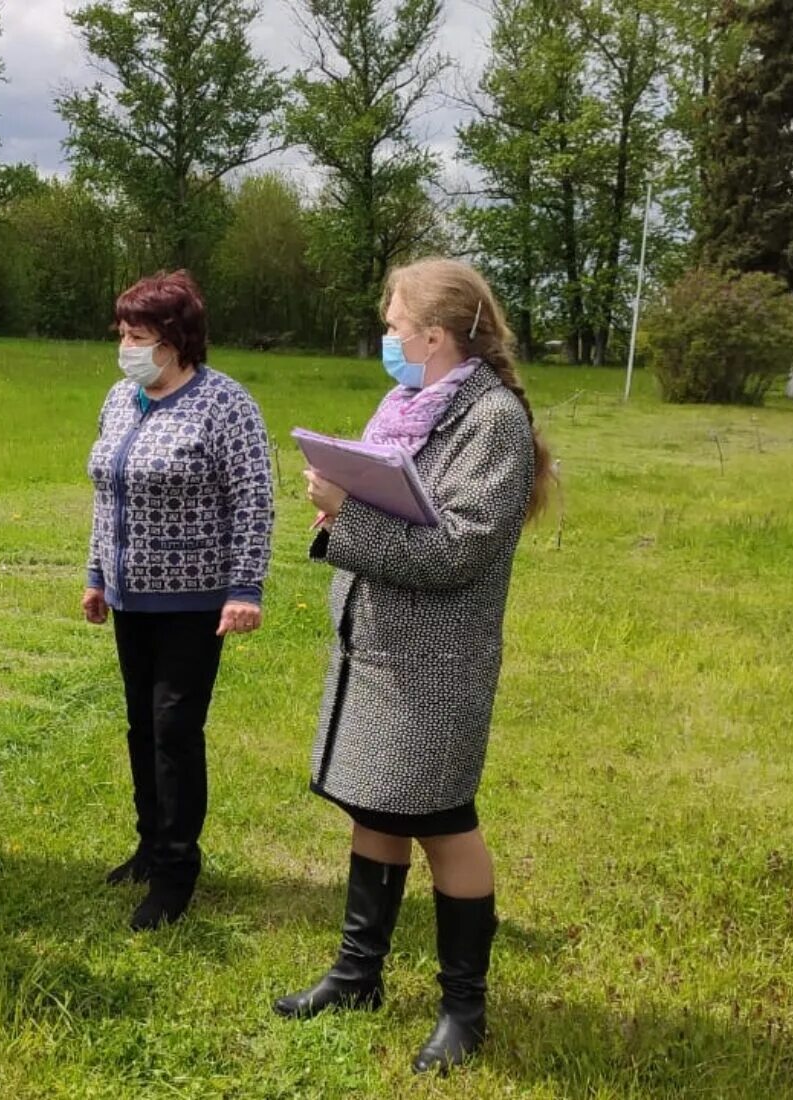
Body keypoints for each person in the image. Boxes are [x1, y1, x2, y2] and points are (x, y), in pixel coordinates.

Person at [276, 257, 555, 1075]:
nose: (386, 337)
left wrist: (342, 510)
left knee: (442, 820)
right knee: (376, 801)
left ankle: (464, 1009)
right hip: (382, 650)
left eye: (395, 325)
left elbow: (458, 550)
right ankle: (357, 975)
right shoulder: (412, 404)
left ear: (435, 336)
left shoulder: (491, 420)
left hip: (439, 659)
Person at [83, 270, 274, 930]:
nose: (126, 346)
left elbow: (254, 499)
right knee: (141, 725)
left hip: (194, 601)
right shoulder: (120, 398)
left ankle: (176, 869)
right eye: (123, 335)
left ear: (175, 339)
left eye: (138, 336)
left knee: (173, 731)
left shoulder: (226, 404)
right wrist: (95, 575)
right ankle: (147, 844)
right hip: (129, 597)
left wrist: (245, 588)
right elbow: (107, 492)